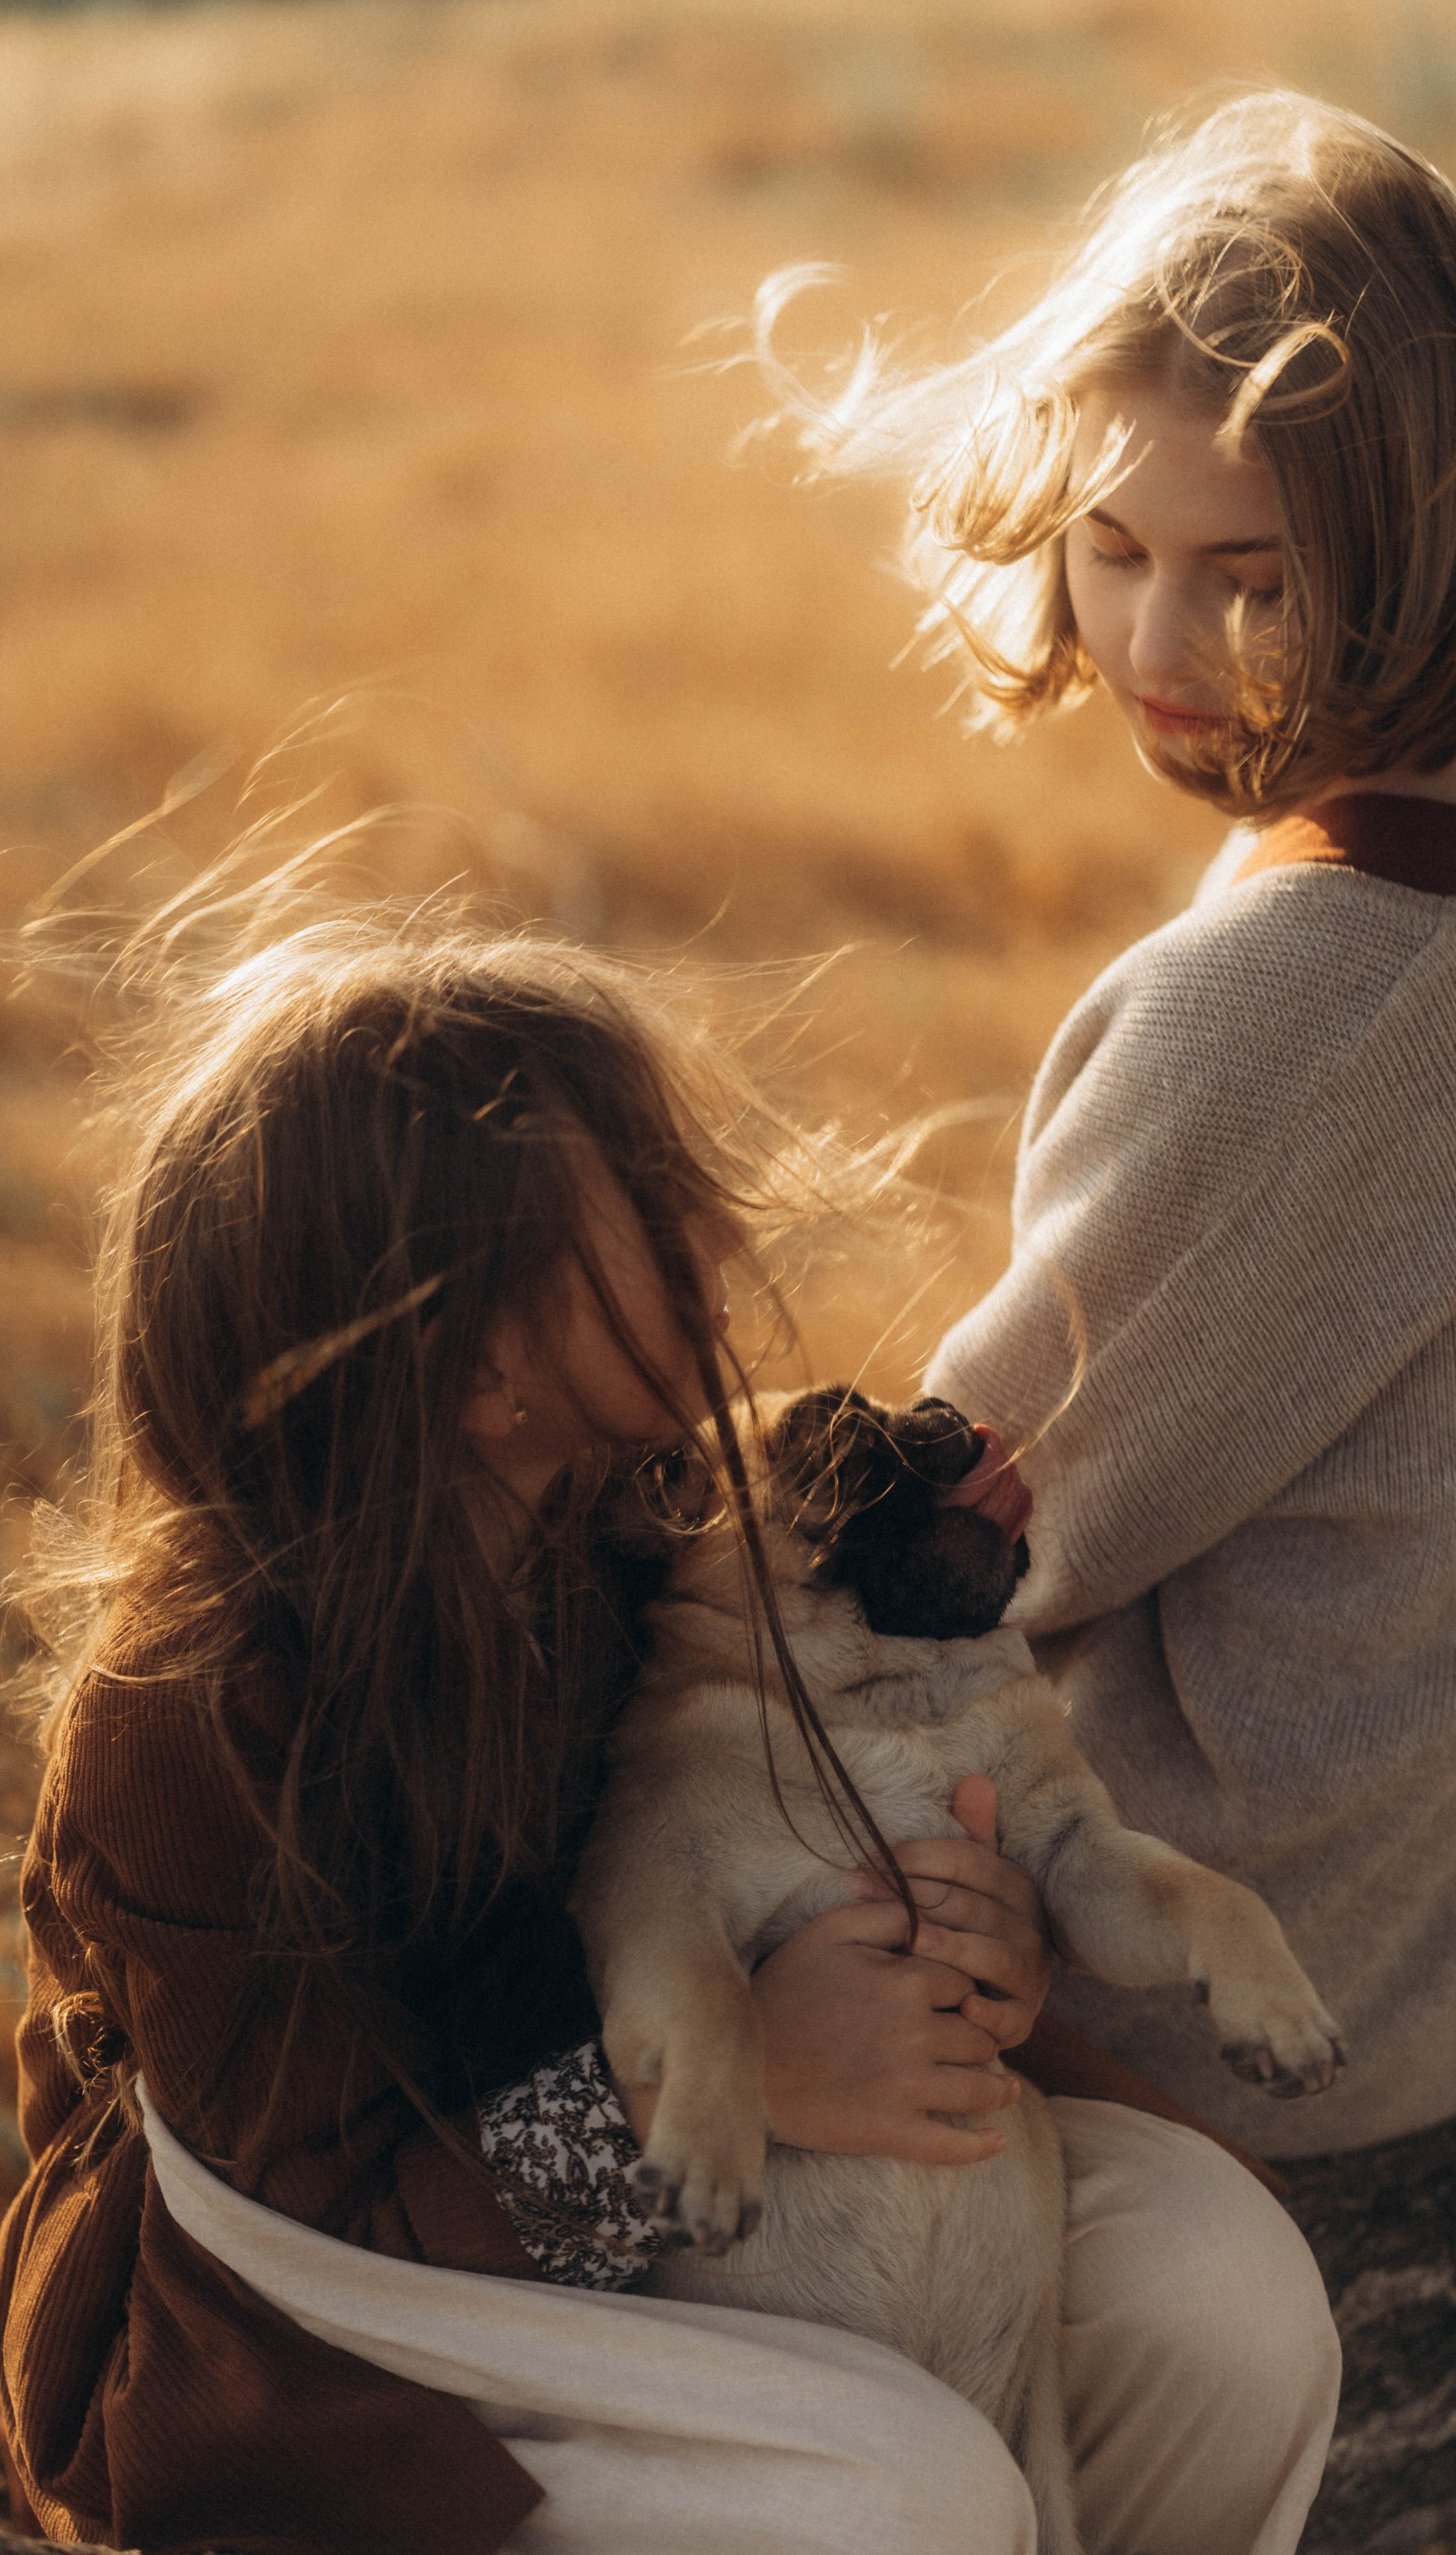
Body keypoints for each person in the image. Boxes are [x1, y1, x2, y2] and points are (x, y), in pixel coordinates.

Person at [0, 911, 1337, 2555]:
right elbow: (322, 2238)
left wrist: (985, 1950)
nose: (721, 1231)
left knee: (1221, 2295)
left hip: (691, 2200)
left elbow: (827, 1845)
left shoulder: (642, 1539)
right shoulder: (193, 1726)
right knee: (898, 2501)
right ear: (482, 1360)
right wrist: (742, 2076)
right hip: (340, 2342)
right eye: (651, 1211)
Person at [761, 89, 1456, 2159]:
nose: (1159, 650)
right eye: (1111, 548)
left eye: (1251, 577)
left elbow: (951, 1559)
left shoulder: (1288, 1012)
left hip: (1240, 2007)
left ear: (1426, 542)